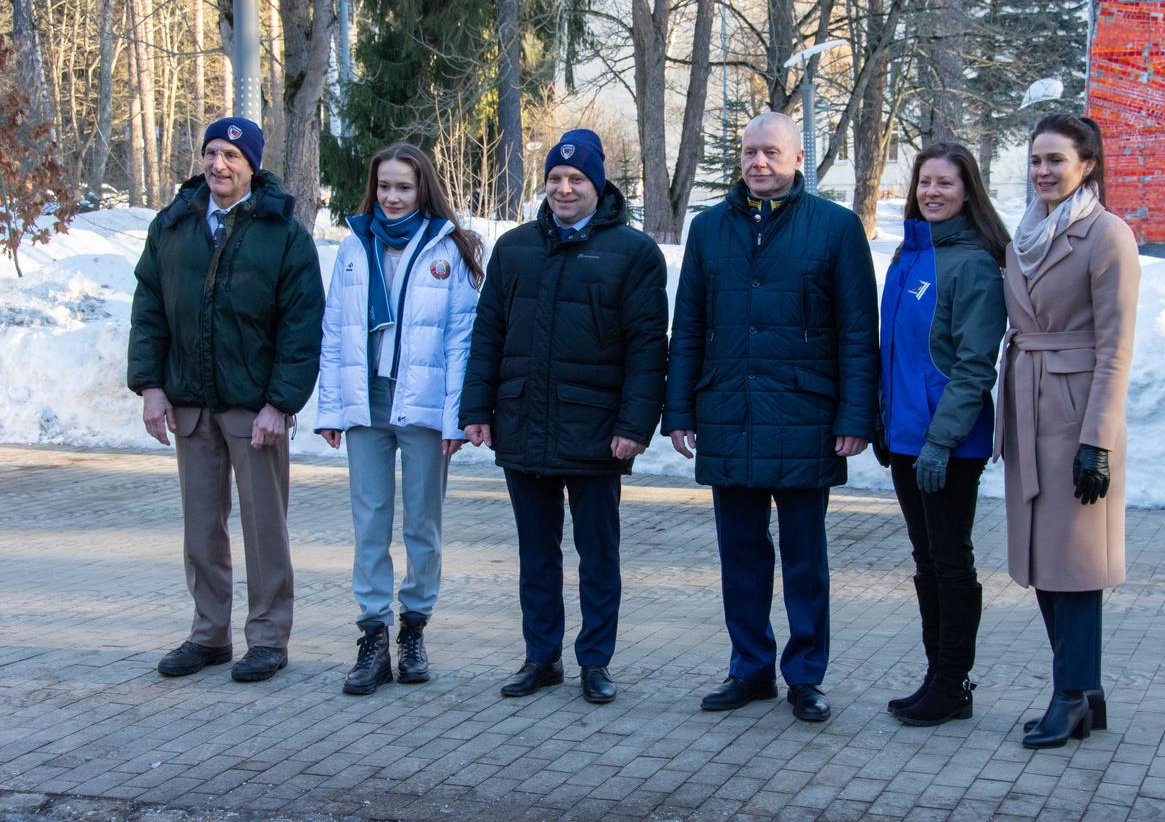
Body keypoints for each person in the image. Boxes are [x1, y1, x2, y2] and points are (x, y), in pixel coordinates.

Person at [663, 112, 879, 722]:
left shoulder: (835, 229)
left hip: (806, 416)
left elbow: (859, 332)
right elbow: (691, 328)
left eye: (771, 152)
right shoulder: (709, 230)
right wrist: (679, 409)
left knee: (805, 558)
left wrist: (854, 415)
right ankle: (749, 667)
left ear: (798, 158)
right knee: (742, 554)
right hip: (729, 411)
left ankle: (806, 675)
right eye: (750, 152)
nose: (759, 163)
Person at [459, 129, 668, 705]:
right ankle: (540, 656)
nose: (564, 188)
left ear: (598, 185)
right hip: (524, 420)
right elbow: (489, 333)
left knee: (597, 554)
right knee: (536, 552)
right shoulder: (516, 247)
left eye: (576, 179)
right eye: (554, 178)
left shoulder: (633, 253)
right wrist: (476, 408)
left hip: (596, 432)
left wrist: (633, 425)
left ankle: (595, 661)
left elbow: (648, 349)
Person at [127, 116, 324, 682]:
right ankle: (208, 635)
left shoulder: (282, 231)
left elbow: (301, 325)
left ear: (252, 165)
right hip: (190, 401)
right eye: (212, 153)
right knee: (200, 529)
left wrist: (281, 402)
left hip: (252, 407)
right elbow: (149, 310)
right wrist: (151, 386)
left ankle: (267, 638)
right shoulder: (173, 225)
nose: (218, 165)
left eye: (232, 157)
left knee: (265, 528)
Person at [314, 143, 482, 695]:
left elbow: (461, 338)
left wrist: (456, 418)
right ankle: (372, 635)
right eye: (384, 187)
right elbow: (335, 329)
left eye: (403, 187)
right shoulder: (353, 247)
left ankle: (413, 628)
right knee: (369, 521)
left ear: (423, 189)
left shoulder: (446, 249)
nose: (392, 197)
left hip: (424, 407)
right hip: (368, 403)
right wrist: (333, 406)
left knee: (421, 524)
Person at [996, 113, 1140, 749]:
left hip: (1077, 412)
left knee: (1074, 564)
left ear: (1088, 164)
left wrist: (1097, 441)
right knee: (1042, 558)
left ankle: (1071, 693)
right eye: (1036, 160)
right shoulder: (1023, 234)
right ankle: (1086, 691)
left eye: (1056, 160)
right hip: (1029, 405)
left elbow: (1116, 348)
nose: (1043, 171)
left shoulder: (1107, 236)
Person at [875, 143, 1008, 726]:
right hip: (907, 438)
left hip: (948, 444)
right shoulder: (909, 254)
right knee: (927, 560)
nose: (932, 192)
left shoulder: (973, 262)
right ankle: (937, 677)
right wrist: (885, 420)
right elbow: (895, 352)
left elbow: (976, 365)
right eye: (925, 182)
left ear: (967, 192)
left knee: (951, 562)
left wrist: (940, 440)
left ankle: (953, 683)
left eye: (945, 184)